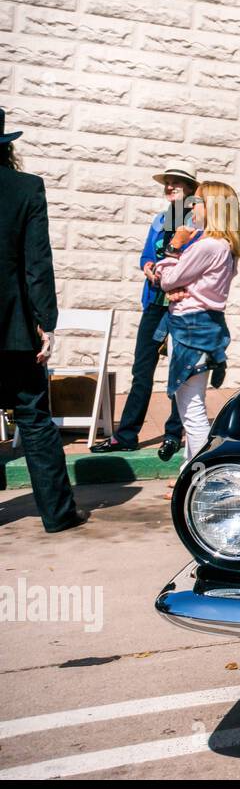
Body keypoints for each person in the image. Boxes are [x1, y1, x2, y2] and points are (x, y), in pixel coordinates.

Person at [0, 110, 87, 532]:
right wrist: (45, 322)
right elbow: (37, 264)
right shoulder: (26, 188)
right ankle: (57, 513)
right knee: (33, 417)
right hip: (14, 328)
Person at [90, 166, 197, 459]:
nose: (170, 188)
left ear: (189, 188)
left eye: (177, 183)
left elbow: (196, 260)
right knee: (142, 371)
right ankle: (126, 435)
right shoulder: (161, 219)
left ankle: (175, 433)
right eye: (168, 184)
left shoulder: (197, 221)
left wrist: (172, 270)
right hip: (155, 302)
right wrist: (149, 267)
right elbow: (147, 255)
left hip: (182, 305)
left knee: (179, 372)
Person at [153, 181, 240, 476]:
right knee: (193, 405)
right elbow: (181, 283)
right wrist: (176, 285)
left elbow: (167, 279)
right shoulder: (226, 247)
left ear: (213, 209)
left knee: (191, 409)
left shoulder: (207, 245)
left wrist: (174, 245)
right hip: (206, 326)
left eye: (198, 202)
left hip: (190, 327)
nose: (192, 207)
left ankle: (201, 476)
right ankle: (190, 472)